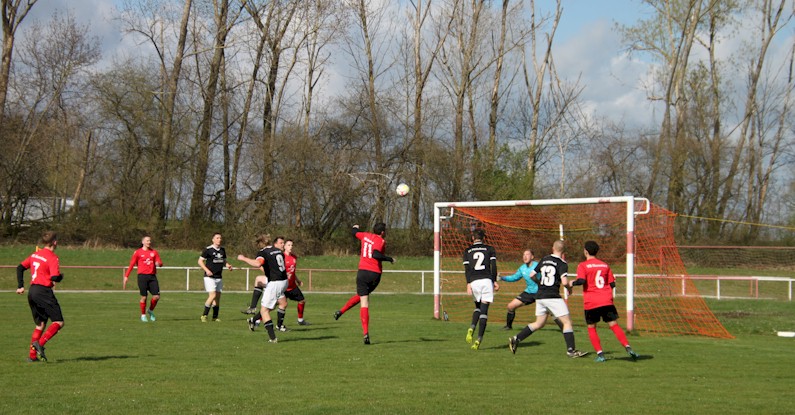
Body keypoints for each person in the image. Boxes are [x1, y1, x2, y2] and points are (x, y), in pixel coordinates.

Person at [508, 240, 587, 358]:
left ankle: (516, 339)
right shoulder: (562, 263)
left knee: (539, 323)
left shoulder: (544, 259)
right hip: (552, 296)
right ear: (563, 251)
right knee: (567, 322)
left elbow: (531, 275)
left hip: (540, 296)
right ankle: (571, 350)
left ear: (552, 248)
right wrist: (570, 287)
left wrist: (540, 284)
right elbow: (565, 282)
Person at [570, 240, 639, 362]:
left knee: (592, 327)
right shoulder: (605, 265)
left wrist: (572, 283)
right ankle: (628, 348)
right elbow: (612, 283)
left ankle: (600, 354)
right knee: (614, 325)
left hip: (591, 302)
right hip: (606, 300)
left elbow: (581, 281)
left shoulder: (582, 266)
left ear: (585, 251)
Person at [333, 223, 394, 345]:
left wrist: (355, 227)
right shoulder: (380, 240)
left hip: (362, 273)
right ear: (382, 232)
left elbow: (354, 232)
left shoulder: (365, 236)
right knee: (363, 298)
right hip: (374, 274)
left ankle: (364, 331)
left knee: (363, 298)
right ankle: (342, 313)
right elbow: (375, 254)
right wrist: (389, 259)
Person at [16, 231, 64, 362]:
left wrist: (20, 286)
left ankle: (32, 357)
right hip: (43, 292)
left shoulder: (35, 254)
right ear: (54, 242)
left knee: (40, 325)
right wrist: (61, 277)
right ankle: (40, 344)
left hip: (32, 291)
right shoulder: (53, 257)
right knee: (58, 322)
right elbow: (54, 277)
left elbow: (20, 267)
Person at [238, 235, 288, 343]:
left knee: (264, 310)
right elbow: (271, 267)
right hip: (284, 281)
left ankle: (272, 338)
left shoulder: (263, 253)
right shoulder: (278, 251)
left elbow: (257, 263)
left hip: (275, 283)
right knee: (278, 304)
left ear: (259, 245)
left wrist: (243, 258)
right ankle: (252, 320)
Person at [499, 249, 564, 331]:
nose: (525, 256)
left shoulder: (538, 265)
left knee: (550, 311)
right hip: (529, 293)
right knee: (511, 306)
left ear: (532, 257)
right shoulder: (522, 268)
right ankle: (508, 326)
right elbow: (514, 277)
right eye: (523, 255)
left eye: (527, 254)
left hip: (541, 292)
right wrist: (501, 278)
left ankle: (564, 328)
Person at [462, 228, 499, 350]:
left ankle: (472, 326)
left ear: (473, 238)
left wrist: (468, 283)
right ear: (484, 238)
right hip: (486, 280)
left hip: (474, 281)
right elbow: (493, 266)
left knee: (477, 307)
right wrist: (494, 281)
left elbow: (467, 269)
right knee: (484, 311)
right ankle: (478, 339)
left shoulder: (467, 251)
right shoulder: (489, 249)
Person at [124, 235, 164, 322]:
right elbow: (131, 264)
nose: (149, 242)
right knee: (144, 297)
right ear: (143, 242)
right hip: (142, 277)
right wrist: (126, 276)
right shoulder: (137, 252)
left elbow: (160, 262)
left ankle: (150, 310)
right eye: (147, 241)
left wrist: (159, 264)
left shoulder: (154, 252)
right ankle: (143, 315)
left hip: (152, 276)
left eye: (149, 241)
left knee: (156, 297)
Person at [198, 232, 233, 322]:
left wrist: (228, 265)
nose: (219, 240)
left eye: (220, 238)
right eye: (217, 238)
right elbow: (200, 261)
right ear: (213, 239)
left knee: (217, 297)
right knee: (212, 295)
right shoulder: (208, 250)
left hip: (219, 276)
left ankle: (215, 317)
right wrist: (207, 270)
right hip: (209, 277)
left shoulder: (222, 250)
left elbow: (223, 260)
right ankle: (204, 315)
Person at [281, 239, 310, 326]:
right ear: (284, 247)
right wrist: (285, 275)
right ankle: (257, 320)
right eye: (289, 245)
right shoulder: (281, 257)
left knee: (302, 300)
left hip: (292, 286)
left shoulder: (294, 257)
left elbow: (292, 271)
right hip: (283, 286)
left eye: (292, 245)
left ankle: (300, 320)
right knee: (274, 305)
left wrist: (298, 280)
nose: (291, 247)